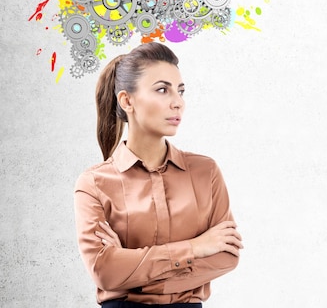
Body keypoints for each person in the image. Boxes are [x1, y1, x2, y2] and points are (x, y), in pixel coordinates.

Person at [74, 42, 242, 307]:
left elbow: (226, 255)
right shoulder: (94, 183)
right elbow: (105, 272)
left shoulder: (205, 172)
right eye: (163, 90)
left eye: (181, 91)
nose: (178, 103)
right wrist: (195, 248)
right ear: (127, 100)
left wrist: (132, 273)